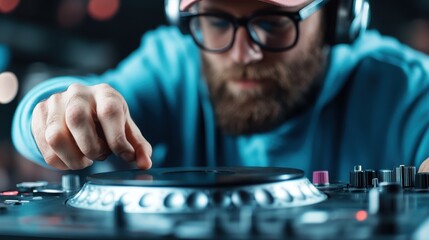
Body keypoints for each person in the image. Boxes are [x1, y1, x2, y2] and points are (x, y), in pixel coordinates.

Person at [11, 0, 429, 181]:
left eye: (271, 23)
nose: (242, 53)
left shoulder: (405, 88)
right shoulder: (173, 65)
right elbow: (75, 103)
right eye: (216, 20)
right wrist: (56, 113)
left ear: (337, 18)